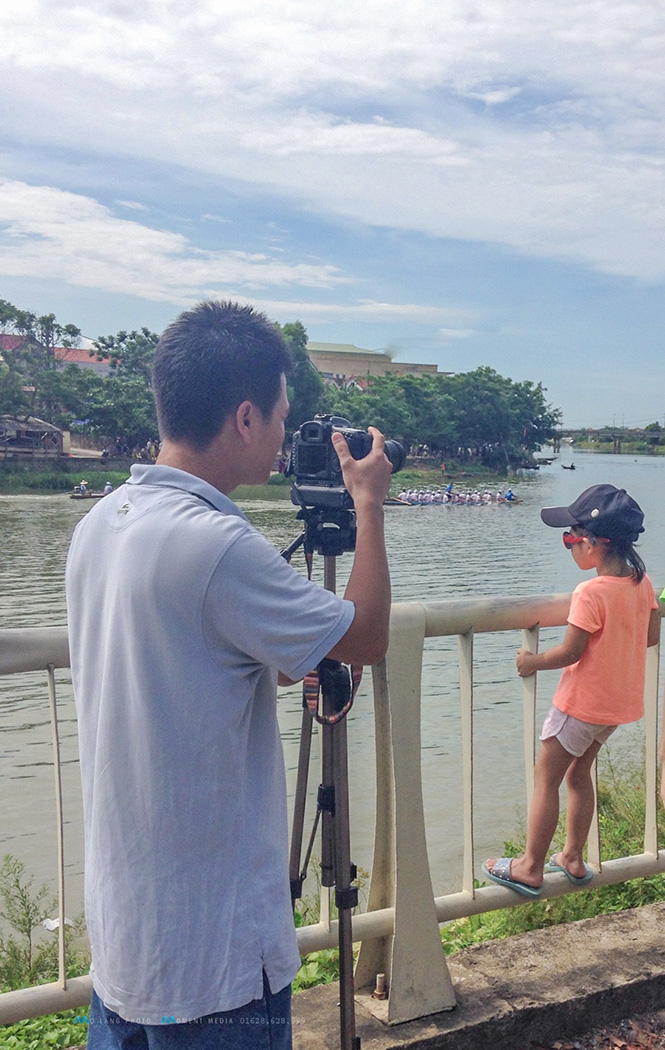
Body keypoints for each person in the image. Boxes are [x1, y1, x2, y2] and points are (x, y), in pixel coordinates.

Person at [65, 300, 393, 1048]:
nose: (282, 437)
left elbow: (190, 657)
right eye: (279, 416)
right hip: (214, 953)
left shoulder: (102, 524)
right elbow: (365, 637)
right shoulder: (216, 543)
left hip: (129, 938)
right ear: (245, 418)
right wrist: (368, 506)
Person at [483, 484, 659, 898]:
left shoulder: (591, 592)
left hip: (580, 705)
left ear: (596, 544)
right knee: (579, 775)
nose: (568, 547)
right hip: (616, 709)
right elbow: (651, 638)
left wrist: (531, 661)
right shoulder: (642, 583)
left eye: (570, 538)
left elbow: (569, 652)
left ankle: (529, 867)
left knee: (546, 777)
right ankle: (573, 857)